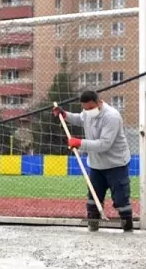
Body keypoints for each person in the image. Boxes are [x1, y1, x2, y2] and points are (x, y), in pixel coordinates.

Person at [54, 91, 134, 232]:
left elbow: (104, 145)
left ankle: (127, 228)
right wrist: (65, 115)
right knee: (93, 199)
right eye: (85, 108)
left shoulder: (111, 117)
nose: (87, 111)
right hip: (96, 165)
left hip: (116, 164)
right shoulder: (87, 112)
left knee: (121, 200)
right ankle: (93, 227)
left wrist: (79, 142)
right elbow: (80, 118)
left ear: (99, 102)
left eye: (90, 108)